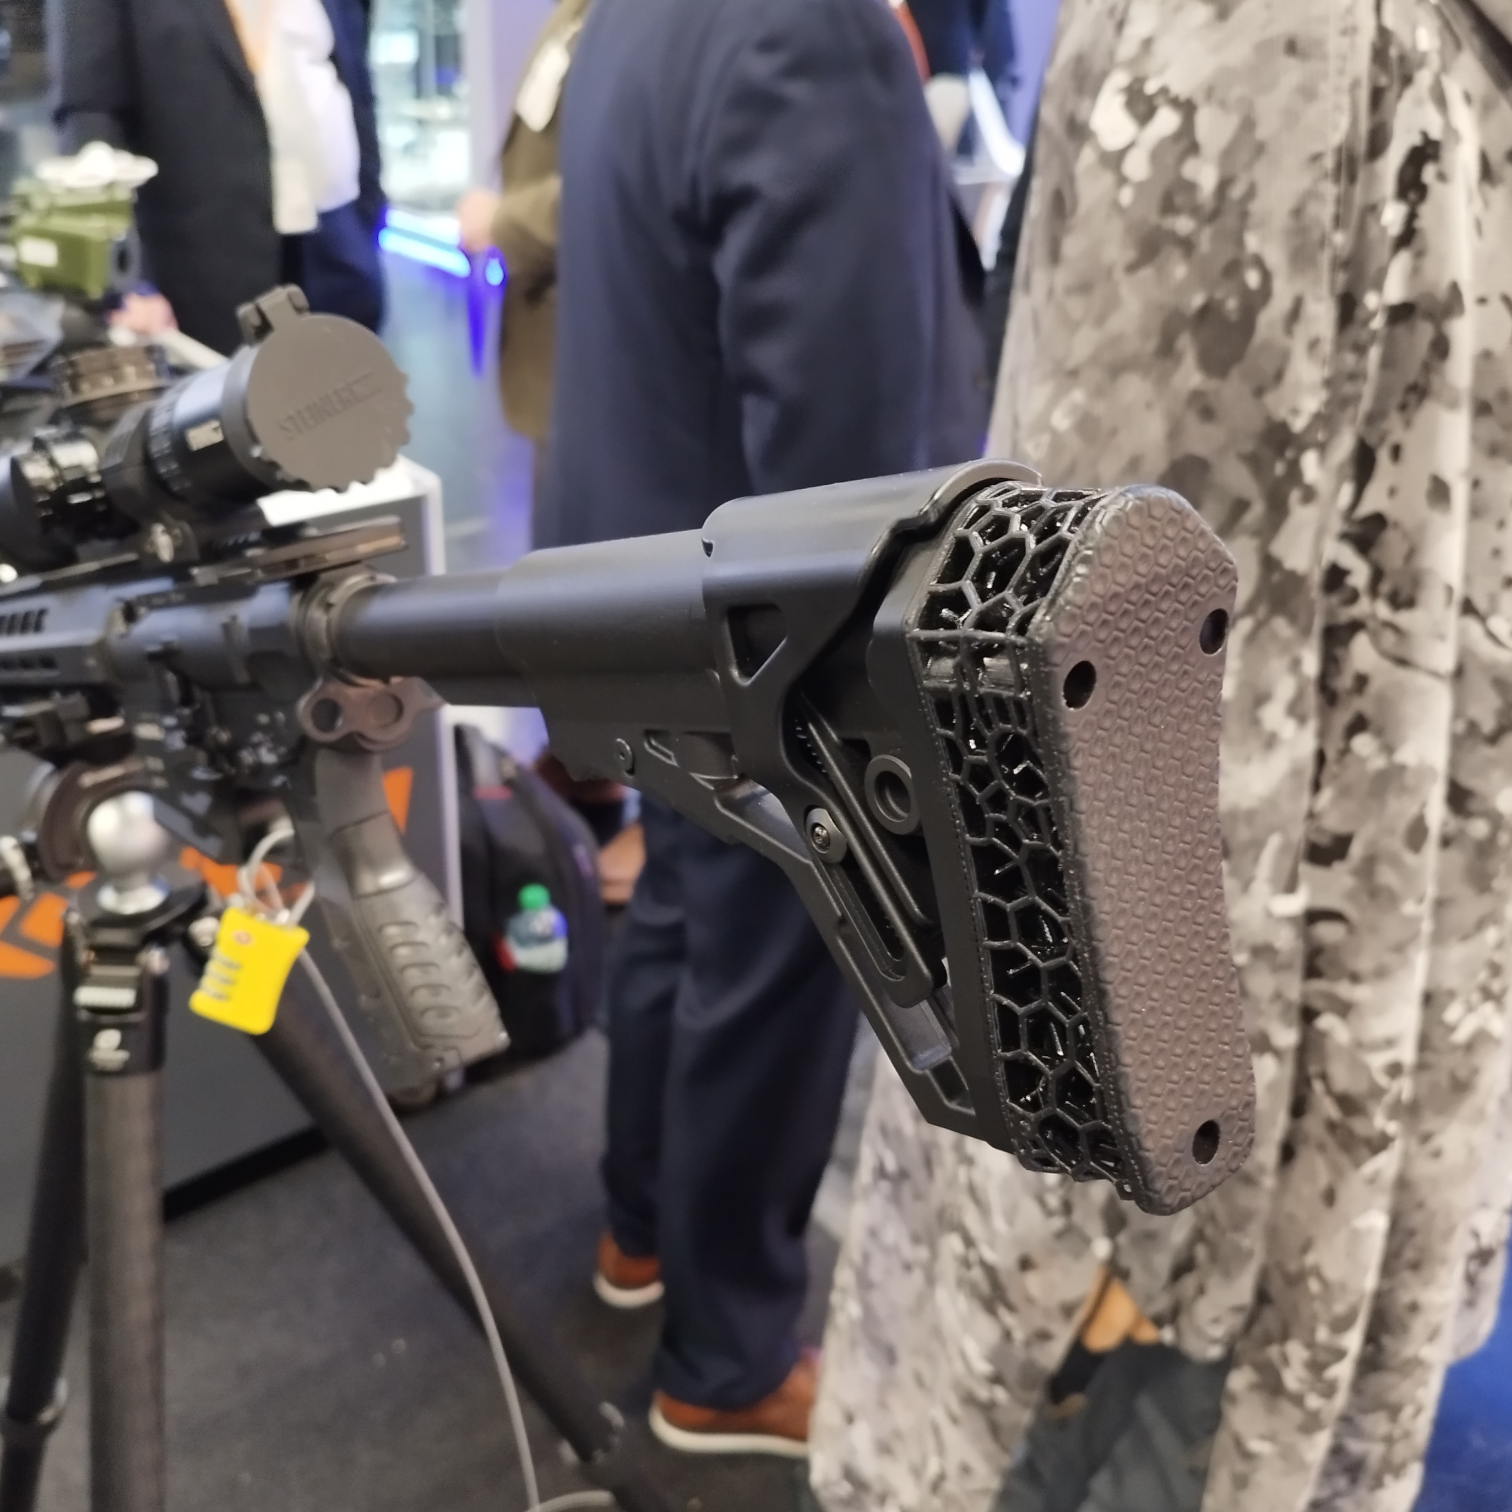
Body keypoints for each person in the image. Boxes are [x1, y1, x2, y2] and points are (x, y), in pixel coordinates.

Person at [810, 0, 1512, 1509]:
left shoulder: (1266, 31)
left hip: (1189, 1188)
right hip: (1369, 1084)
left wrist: (1114, 1210)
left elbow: (1120, 691)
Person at [540, 0, 987, 1457]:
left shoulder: (636, 20)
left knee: (683, 921)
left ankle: (642, 1230)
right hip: (757, 628)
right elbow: (856, 466)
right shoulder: (815, 30)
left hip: (639, 579)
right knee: (776, 965)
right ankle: (723, 1365)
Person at [51, 0, 385, 355]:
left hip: (338, 241)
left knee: (350, 381)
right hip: (202, 272)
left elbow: (352, 69)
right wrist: (130, 282)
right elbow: (89, 115)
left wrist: (370, 206)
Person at [455, 0, 590, 480]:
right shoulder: (574, 12)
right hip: (556, 360)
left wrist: (503, 221)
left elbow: (624, 178)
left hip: (598, 360)